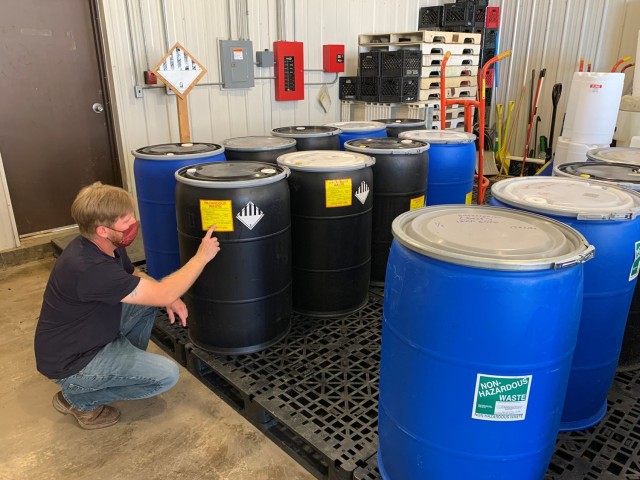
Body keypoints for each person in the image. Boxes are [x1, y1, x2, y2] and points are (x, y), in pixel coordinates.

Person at [34, 182, 220, 430]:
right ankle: (78, 398)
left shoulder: (105, 246)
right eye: (125, 220)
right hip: (73, 361)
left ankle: (119, 366)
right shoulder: (90, 268)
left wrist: (168, 297)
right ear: (103, 230)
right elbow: (162, 291)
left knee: (147, 303)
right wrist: (201, 258)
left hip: (90, 335)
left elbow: (133, 274)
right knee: (165, 376)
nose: (133, 223)